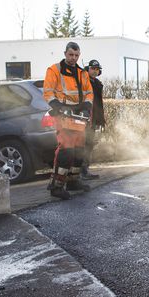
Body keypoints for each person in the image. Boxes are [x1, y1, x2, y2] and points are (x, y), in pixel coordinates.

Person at [43, 41, 94, 199]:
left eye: (76, 55)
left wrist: (86, 107)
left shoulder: (82, 73)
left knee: (79, 150)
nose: (73, 58)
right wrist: (58, 106)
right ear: (65, 53)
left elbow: (89, 93)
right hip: (63, 115)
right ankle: (56, 186)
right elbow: (48, 92)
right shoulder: (54, 70)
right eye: (71, 54)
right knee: (66, 150)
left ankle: (73, 181)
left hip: (78, 116)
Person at [80, 59, 106, 180]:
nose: (95, 71)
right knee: (83, 144)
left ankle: (85, 169)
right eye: (93, 69)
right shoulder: (83, 82)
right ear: (88, 69)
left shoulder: (97, 84)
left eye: (97, 69)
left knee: (89, 144)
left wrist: (101, 120)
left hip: (94, 118)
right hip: (84, 118)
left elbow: (99, 104)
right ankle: (80, 171)